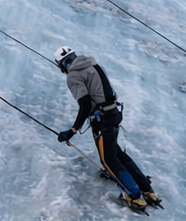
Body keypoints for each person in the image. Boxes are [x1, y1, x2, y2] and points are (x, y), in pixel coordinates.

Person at [53, 47, 160, 211]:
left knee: (108, 159)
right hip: (114, 114)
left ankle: (134, 196)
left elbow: (85, 104)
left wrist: (73, 130)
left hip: (102, 120)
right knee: (117, 153)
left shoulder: (73, 76)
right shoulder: (94, 65)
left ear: (62, 66)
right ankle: (147, 189)